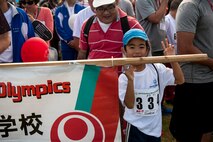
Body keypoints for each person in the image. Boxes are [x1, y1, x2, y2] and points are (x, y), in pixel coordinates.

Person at [118, 28, 184, 142]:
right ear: (124, 50)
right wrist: (130, 80)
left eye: (141, 46)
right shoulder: (124, 77)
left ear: (147, 49)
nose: (137, 51)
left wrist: (173, 59)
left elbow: (180, 80)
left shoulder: (157, 69)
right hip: (134, 127)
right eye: (132, 47)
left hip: (154, 127)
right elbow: (129, 104)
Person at [169, 0, 213, 142]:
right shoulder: (190, 5)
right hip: (193, 82)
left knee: (208, 130)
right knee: (188, 134)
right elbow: (185, 48)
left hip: (209, 78)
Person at [77, 0, 143, 60]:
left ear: (117, 3)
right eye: (101, 9)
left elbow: (145, 50)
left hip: (121, 73)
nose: (106, 13)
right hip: (93, 72)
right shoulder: (87, 25)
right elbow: (82, 53)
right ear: (94, 9)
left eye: (110, 7)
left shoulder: (131, 24)